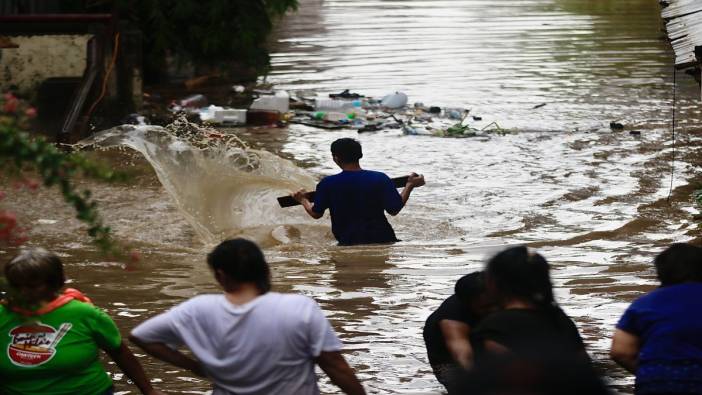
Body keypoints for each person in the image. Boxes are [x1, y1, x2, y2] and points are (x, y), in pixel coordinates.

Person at [130, 238, 366, 395]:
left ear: (221, 275)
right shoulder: (299, 307)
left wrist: (193, 366)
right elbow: (335, 367)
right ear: (265, 270)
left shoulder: (198, 310)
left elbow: (141, 336)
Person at [0, 248, 163, 395]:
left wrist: (149, 390)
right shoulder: (3, 314)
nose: (23, 292)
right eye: (16, 286)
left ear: (55, 283)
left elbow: (119, 352)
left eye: (32, 286)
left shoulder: (85, 313)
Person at [292, 137, 425, 245]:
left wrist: (303, 200)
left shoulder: (328, 183)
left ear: (336, 158)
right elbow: (394, 209)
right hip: (383, 238)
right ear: (360, 155)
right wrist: (409, 186)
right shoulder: (380, 178)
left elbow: (316, 214)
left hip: (348, 241)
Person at [610, 243, 702, 395]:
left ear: (661, 272)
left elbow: (620, 351)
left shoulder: (644, 304)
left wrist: (652, 373)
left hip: (655, 383)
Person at [471, 246, 588, 361]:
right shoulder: (560, 319)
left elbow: (494, 375)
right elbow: (584, 367)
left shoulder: (495, 326)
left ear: (494, 283)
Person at [423, 271, 493, 391]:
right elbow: (462, 354)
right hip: (446, 356)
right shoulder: (452, 318)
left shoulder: (507, 296)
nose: (494, 309)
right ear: (469, 304)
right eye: (487, 307)